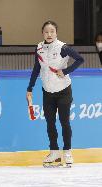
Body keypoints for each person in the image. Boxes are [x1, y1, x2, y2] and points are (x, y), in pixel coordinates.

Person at [27, 21, 84, 167]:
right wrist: (30, 87)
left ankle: (67, 151)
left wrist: (65, 71)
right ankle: (54, 152)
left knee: (64, 122)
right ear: (42, 33)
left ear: (56, 33)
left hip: (64, 90)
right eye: (46, 31)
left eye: (52, 31)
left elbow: (80, 59)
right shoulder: (39, 48)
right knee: (50, 123)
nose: (49, 34)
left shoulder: (62, 47)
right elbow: (36, 68)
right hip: (47, 91)